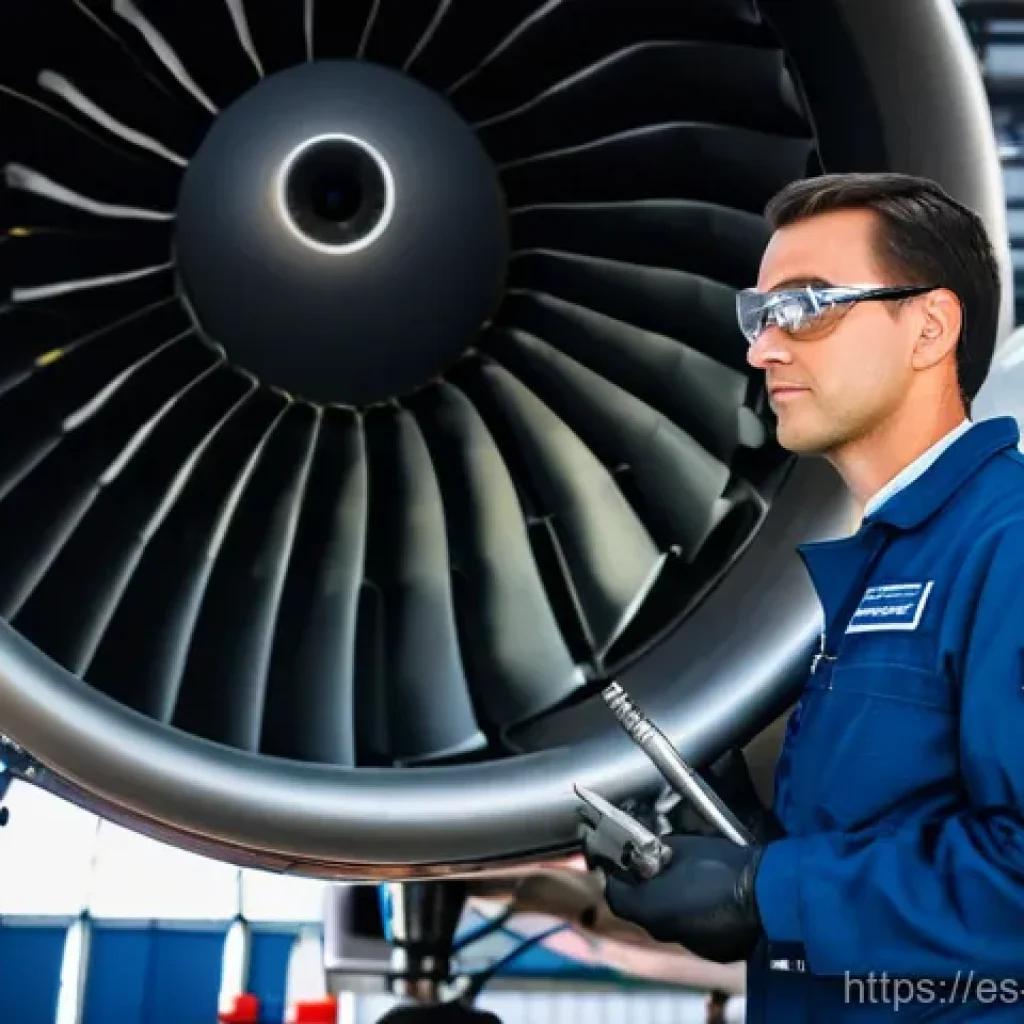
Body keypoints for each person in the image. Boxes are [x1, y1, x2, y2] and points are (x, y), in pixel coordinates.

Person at [602, 172, 1024, 1021]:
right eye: (759, 317)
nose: (763, 349)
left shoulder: (1005, 546)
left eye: (806, 307)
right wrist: (747, 850)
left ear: (931, 327)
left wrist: (772, 891)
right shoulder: (892, 561)